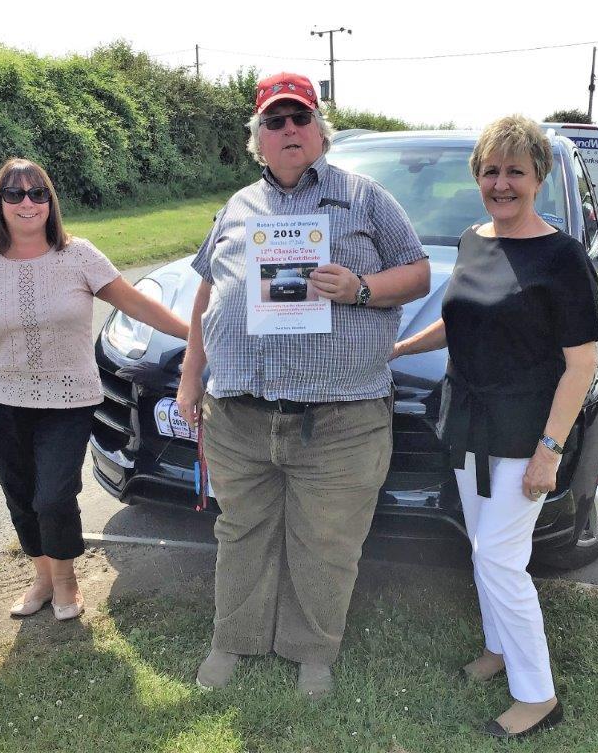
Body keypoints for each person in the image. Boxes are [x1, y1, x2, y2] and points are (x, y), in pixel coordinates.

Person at [176, 72, 430, 697]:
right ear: (257, 139)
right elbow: (209, 291)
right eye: (274, 121)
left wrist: (362, 289)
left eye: (300, 119)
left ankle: (312, 650)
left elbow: (420, 273)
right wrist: (190, 378)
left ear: (320, 131)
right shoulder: (237, 207)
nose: (288, 130)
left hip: (341, 418)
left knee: (327, 541)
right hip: (240, 413)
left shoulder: (365, 197)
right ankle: (234, 641)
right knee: (241, 533)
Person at [391, 115, 598, 738]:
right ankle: (498, 647)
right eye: (490, 170)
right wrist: (400, 349)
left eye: (515, 170)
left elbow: (581, 362)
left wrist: (548, 451)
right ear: (477, 178)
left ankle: (538, 696)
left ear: (538, 176)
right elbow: (461, 320)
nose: (501, 182)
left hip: (523, 430)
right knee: (482, 545)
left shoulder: (561, 257)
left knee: (500, 557)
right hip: (470, 423)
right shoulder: (474, 239)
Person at [0, 157, 188, 621]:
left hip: (67, 401)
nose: (27, 203)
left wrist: (193, 334)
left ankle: (66, 580)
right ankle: (42, 576)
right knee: (19, 494)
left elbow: (135, 303)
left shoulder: (78, 256)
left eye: (37, 193)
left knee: (53, 494)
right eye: (14, 194)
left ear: (50, 202)